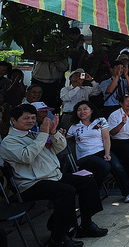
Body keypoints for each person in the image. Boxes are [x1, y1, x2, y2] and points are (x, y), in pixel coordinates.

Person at [0, 104, 107, 247]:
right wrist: (44, 134)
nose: (30, 121)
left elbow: (59, 148)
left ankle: (86, 225)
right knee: (65, 192)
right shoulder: (8, 142)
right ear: (13, 120)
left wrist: (53, 132)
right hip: (31, 183)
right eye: (26, 118)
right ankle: (58, 238)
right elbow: (27, 157)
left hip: (52, 176)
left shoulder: (35, 134)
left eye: (33, 118)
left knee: (89, 183)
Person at [67, 100, 129, 203]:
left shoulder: (100, 120)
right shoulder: (74, 126)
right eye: (79, 110)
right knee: (105, 166)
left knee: (117, 167)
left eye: (85, 109)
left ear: (92, 110)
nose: (82, 112)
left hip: (102, 151)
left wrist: (107, 153)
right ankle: (93, 193)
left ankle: (127, 192)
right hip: (86, 155)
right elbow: (65, 139)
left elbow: (106, 138)